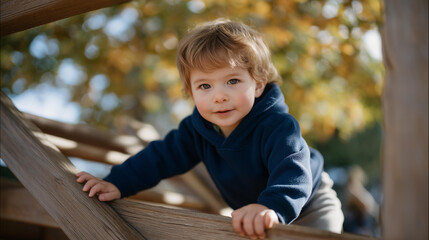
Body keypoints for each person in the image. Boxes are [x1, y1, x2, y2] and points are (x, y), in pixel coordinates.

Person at [76, 19, 344, 239]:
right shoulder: (196, 130)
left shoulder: (278, 126)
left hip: (310, 204)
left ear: (258, 84)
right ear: (190, 92)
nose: (219, 96)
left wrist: (271, 207)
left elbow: (292, 171)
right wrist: (116, 182)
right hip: (256, 213)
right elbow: (158, 158)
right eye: (205, 86)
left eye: (233, 80)